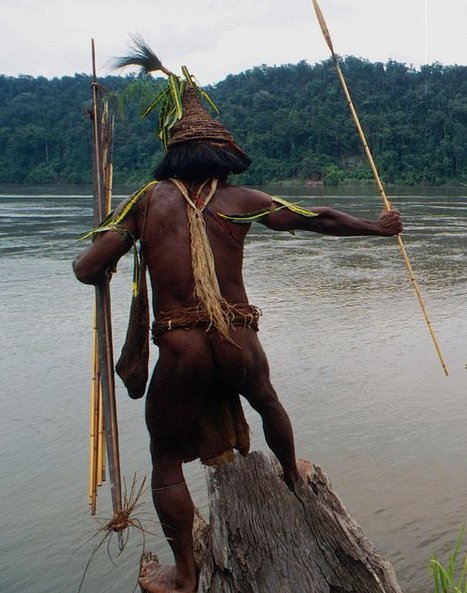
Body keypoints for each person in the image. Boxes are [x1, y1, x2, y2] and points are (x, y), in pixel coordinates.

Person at [73, 55, 402, 593]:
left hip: (182, 348)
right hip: (239, 342)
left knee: (165, 460)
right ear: (223, 159)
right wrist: (377, 227)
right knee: (267, 400)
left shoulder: (147, 203)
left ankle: (185, 576)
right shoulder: (240, 201)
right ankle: (292, 475)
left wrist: (101, 261)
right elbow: (317, 219)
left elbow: (88, 268)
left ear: (174, 157)